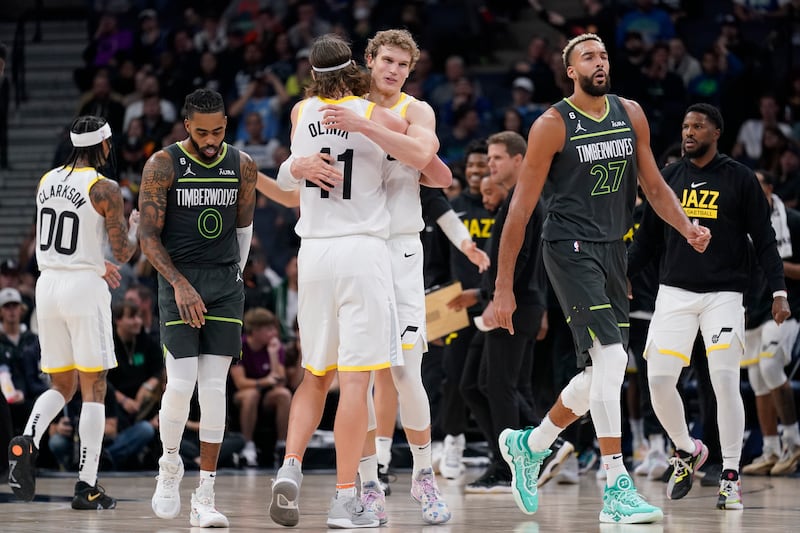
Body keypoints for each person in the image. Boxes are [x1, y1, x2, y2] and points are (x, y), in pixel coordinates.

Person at [493, 34, 710, 524]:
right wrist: (503, 286)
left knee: (599, 375)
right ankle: (616, 486)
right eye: (588, 57)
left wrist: (687, 227)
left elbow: (654, 185)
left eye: (603, 56)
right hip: (568, 248)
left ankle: (531, 445)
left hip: (613, 250)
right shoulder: (551, 125)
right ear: (570, 71)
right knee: (612, 358)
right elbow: (520, 210)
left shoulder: (630, 113)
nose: (599, 62)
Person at [267, 33, 442, 530]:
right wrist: (369, 125)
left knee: (316, 376)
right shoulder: (376, 114)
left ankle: (292, 465)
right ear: (361, 66)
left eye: (402, 64)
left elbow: (289, 180)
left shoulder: (302, 112)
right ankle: (350, 496)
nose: (393, 70)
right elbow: (429, 158)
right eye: (386, 61)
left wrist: (287, 167)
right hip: (365, 251)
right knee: (356, 382)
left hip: (316, 254)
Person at [628, 104, 789, 510]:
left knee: (724, 379)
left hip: (723, 295)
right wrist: (623, 275)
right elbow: (647, 238)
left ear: (716, 132)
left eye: (698, 126)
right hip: (674, 293)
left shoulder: (740, 178)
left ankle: (730, 473)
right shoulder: (669, 177)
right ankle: (686, 448)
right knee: (658, 381)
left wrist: (779, 291)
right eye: (685, 126)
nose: (689, 132)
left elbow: (764, 240)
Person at [7, 115, 139, 509]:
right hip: (83, 290)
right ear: (104, 146)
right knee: (93, 388)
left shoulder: (46, 181)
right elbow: (123, 252)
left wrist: (95, 263)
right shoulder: (105, 188)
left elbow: (64, 238)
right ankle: (87, 485)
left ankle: (28, 438)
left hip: (47, 286)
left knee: (62, 385)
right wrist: (134, 227)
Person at [139, 88, 257, 528]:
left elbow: (243, 229)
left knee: (213, 387)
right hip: (178, 280)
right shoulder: (163, 164)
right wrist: (179, 284)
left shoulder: (242, 165)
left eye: (218, 131)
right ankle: (170, 465)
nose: (211, 140)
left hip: (223, 283)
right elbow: (148, 237)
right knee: (180, 383)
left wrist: (234, 277)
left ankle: (205, 495)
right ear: (187, 125)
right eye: (202, 132)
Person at [741, 169, 800, 477]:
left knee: (770, 366)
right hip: (753, 309)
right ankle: (771, 450)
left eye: (757, 187)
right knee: (757, 379)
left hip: (788, 306)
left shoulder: (792, 220)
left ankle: (794, 442)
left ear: (770, 189)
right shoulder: (742, 224)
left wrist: (775, 262)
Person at [230, 307, 291, 467]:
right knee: (252, 395)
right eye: (268, 329)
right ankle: (248, 445)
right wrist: (263, 382)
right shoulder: (239, 345)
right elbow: (240, 383)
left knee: (283, 394)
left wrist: (273, 355)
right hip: (242, 394)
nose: (274, 333)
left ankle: (282, 445)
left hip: (267, 394)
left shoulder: (275, 347)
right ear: (255, 330)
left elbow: (280, 381)